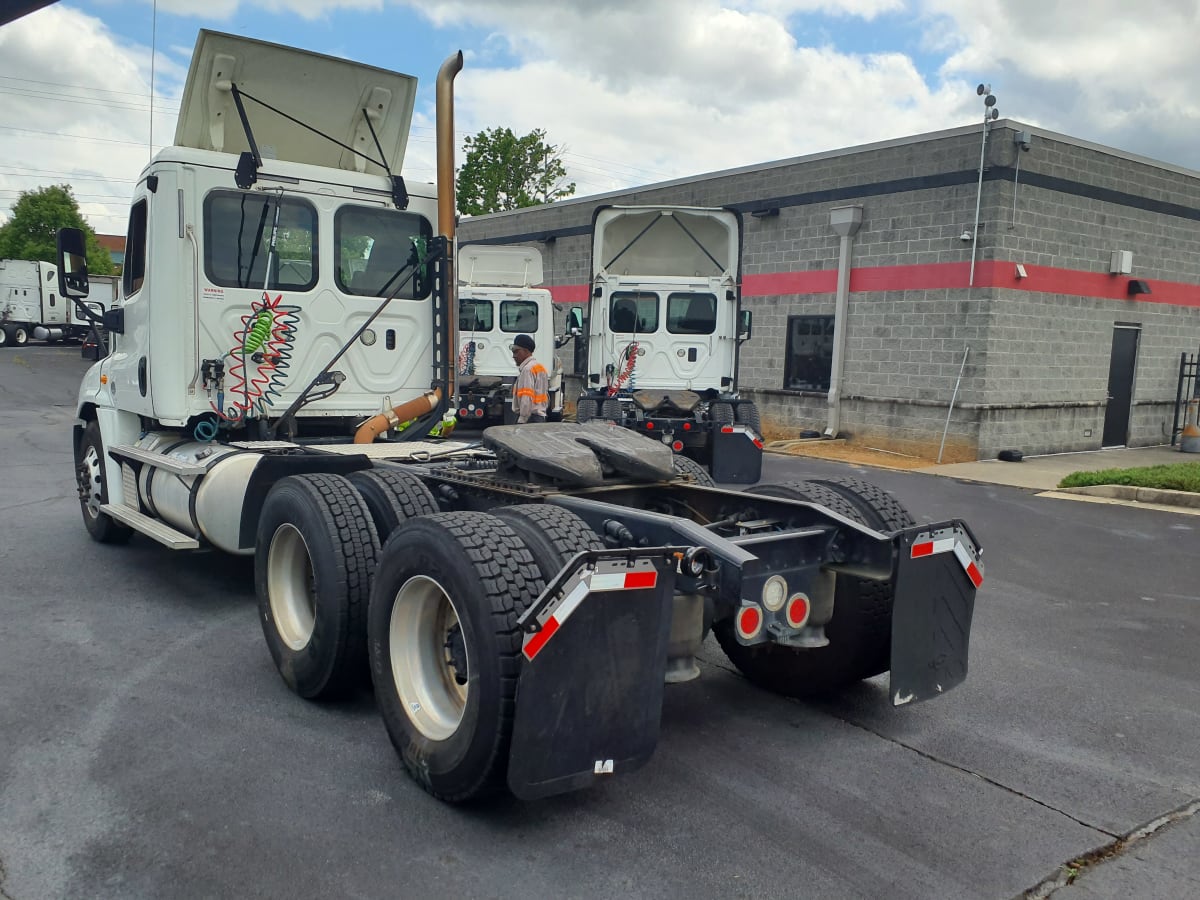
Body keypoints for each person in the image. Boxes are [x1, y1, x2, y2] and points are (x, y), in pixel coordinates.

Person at [510, 333, 549, 424]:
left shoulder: (527, 370)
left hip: (530, 419)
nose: (514, 356)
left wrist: (522, 420)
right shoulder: (540, 368)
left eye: (516, 351)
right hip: (540, 417)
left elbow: (526, 398)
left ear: (526, 351)